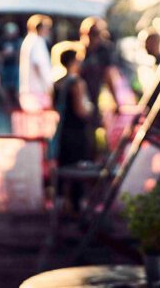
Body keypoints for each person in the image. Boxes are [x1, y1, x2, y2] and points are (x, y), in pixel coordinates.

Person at [52, 47, 93, 211]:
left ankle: (60, 206)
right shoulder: (77, 82)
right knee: (78, 172)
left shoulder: (57, 83)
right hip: (77, 133)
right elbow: (81, 110)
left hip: (63, 132)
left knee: (63, 171)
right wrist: (91, 108)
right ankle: (76, 208)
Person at [78, 17, 123, 120]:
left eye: (96, 33)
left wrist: (116, 100)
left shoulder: (104, 50)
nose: (92, 37)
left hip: (94, 96)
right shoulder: (79, 50)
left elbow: (109, 75)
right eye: (90, 33)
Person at [18, 14, 53, 111]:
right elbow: (39, 65)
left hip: (29, 90)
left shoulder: (29, 40)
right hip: (37, 91)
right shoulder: (37, 42)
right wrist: (48, 86)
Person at [0, 22, 22, 109]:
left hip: (14, 67)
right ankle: (7, 105)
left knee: (14, 87)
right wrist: (3, 54)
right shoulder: (2, 41)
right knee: (5, 87)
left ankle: (15, 105)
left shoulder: (18, 41)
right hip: (5, 67)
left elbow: (19, 54)